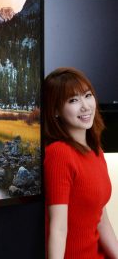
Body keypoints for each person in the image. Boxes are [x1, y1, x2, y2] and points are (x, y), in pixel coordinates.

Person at [44, 67, 118, 259]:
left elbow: (101, 220)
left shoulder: (96, 152)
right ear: (55, 111)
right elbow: (58, 228)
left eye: (87, 95)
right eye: (73, 100)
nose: (85, 106)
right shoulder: (59, 153)